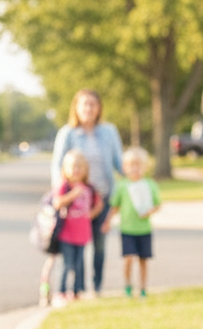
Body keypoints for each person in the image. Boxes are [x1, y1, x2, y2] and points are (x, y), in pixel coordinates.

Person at [49, 88, 124, 297]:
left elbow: (119, 162)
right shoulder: (68, 133)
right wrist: (60, 194)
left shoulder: (109, 131)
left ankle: (97, 287)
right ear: (77, 107)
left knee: (99, 246)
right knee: (76, 245)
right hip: (76, 202)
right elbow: (57, 165)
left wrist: (134, 182)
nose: (89, 108)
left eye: (93, 104)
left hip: (102, 197)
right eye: (84, 104)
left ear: (99, 108)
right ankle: (76, 289)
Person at [108, 147, 162, 298]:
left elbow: (158, 204)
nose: (135, 169)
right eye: (131, 165)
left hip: (144, 229)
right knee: (128, 258)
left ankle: (143, 288)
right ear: (125, 167)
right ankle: (127, 285)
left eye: (138, 165)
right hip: (127, 229)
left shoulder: (150, 185)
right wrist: (107, 222)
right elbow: (115, 206)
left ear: (144, 167)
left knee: (143, 260)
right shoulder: (122, 185)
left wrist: (149, 211)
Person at [50, 150, 102, 305]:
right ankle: (61, 291)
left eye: (80, 167)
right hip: (66, 233)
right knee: (67, 264)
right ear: (65, 169)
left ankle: (78, 291)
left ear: (85, 169)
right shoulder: (64, 186)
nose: (76, 170)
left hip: (83, 234)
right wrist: (72, 194)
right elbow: (57, 203)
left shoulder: (89, 188)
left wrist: (90, 214)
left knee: (79, 264)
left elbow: (99, 204)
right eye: (72, 167)